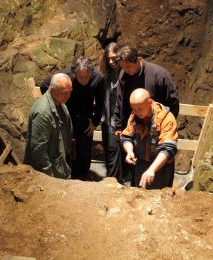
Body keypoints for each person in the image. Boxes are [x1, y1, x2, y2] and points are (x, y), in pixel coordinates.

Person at [113, 45, 179, 186]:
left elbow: (173, 103)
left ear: (137, 60)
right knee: (137, 177)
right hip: (136, 130)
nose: (126, 71)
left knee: (159, 180)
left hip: (158, 128)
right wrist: (119, 125)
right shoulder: (124, 75)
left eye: (128, 67)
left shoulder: (159, 75)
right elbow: (120, 101)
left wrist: (163, 124)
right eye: (123, 68)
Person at [40, 56, 105, 181]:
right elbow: (45, 86)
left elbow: (101, 101)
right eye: (80, 77)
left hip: (86, 118)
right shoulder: (65, 76)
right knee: (67, 147)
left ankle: (84, 174)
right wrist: (57, 105)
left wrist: (95, 122)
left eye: (87, 76)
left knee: (84, 149)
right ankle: (69, 175)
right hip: (66, 115)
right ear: (74, 73)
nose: (84, 80)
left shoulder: (98, 78)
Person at [121, 88, 178, 189]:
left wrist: (152, 170)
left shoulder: (166, 118)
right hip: (140, 165)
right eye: (133, 108)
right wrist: (129, 151)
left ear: (150, 102)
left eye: (139, 108)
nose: (136, 112)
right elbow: (127, 137)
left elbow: (168, 148)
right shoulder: (135, 114)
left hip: (160, 168)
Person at [23, 73, 73, 179]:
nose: (68, 96)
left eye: (70, 92)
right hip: (47, 171)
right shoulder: (42, 112)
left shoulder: (60, 103)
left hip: (59, 164)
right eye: (65, 93)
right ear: (52, 89)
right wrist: (48, 172)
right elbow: (38, 147)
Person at [98, 42, 123, 182]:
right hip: (107, 120)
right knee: (109, 151)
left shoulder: (125, 73)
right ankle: (112, 181)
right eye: (108, 59)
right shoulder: (104, 74)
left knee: (116, 151)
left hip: (119, 122)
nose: (111, 62)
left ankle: (116, 182)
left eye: (114, 58)